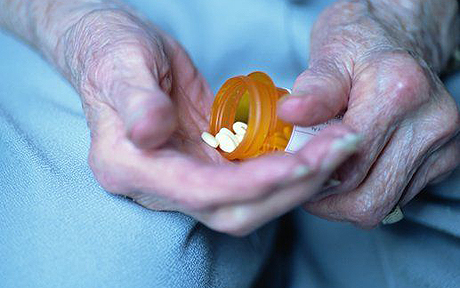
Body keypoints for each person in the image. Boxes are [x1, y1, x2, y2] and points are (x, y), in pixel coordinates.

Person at [1, 0, 459, 287]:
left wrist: (408, 14)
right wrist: (71, 24)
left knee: (421, 224)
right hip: (118, 27)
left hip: (383, 39)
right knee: (120, 266)